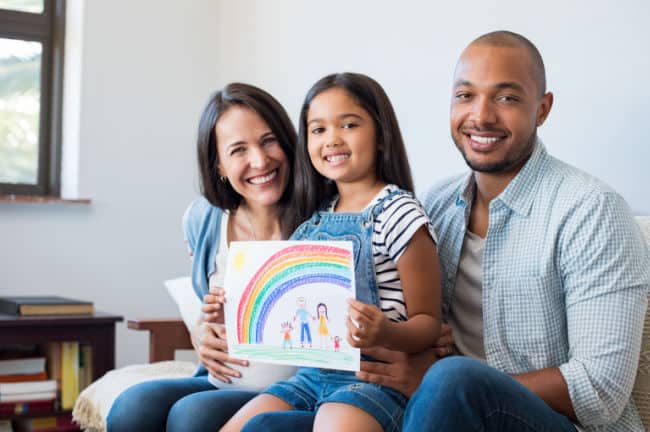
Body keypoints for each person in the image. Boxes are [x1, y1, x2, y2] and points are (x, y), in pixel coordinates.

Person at [356, 30, 650, 432]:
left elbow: (600, 390)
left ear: (542, 109)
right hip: (442, 415)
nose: (481, 116)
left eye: (507, 97)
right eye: (465, 95)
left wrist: (440, 384)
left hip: (563, 426)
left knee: (452, 379)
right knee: (269, 424)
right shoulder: (434, 205)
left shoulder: (591, 211)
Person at [220, 72, 442, 432]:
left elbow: (429, 324)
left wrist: (385, 332)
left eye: (349, 124)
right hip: (310, 375)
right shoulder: (311, 222)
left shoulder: (400, 213)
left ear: (382, 136)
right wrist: (230, 309)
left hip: (371, 380)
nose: (332, 139)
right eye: (318, 129)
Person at [106, 83, 303, 431]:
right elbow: (208, 311)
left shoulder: (322, 217)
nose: (260, 160)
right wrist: (204, 333)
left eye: (269, 140)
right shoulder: (204, 219)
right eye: (238, 150)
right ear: (219, 167)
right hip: (222, 380)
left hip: (295, 388)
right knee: (131, 406)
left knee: (193, 415)